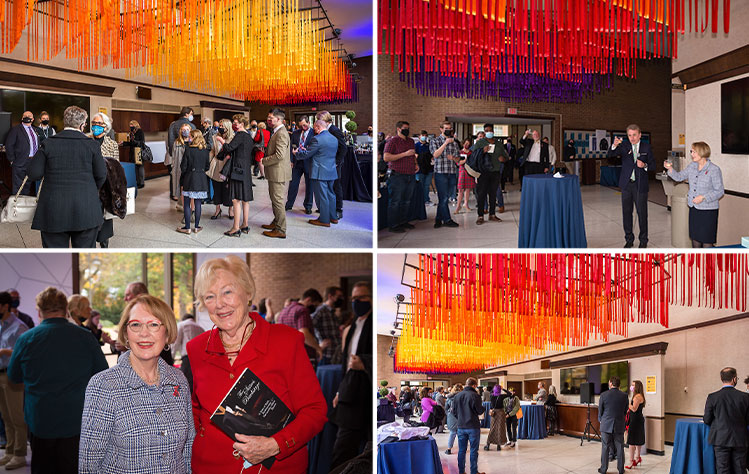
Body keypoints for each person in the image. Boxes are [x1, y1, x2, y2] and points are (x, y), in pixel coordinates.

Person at [186, 256, 327, 472]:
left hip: (276, 468)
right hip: (211, 466)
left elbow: (315, 410)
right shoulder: (196, 349)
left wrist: (276, 445)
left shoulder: (286, 341)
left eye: (227, 292)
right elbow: (196, 411)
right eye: (210, 296)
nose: (220, 304)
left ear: (248, 292)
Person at [79, 295, 193, 473]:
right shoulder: (104, 386)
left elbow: (187, 450)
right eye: (136, 325)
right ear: (125, 333)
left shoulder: (178, 381)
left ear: (167, 332)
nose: (144, 333)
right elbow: (89, 464)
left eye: (154, 324)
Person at [7, 287, 108, 474]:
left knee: (42, 468)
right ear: (66, 309)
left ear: (39, 312)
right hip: (75, 419)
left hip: (40, 419)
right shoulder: (85, 337)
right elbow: (102, 374)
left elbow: (13, 377)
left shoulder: (26, 339)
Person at [26, 106, 106, 248]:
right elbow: (101, 175)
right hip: (86, 208)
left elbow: (33, 173)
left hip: (53, 209)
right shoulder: (92, 145)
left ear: (65, 122)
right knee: (84, 258)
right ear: (82, 125)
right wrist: (90, 189)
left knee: (55, 259)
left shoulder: (48, 143)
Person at [330, 281, 373, 470]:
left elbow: (362, 359)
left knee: (369, 452)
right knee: (342, 450)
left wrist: (364, 362)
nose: (356, 302)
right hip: (350, 395)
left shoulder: (373, 323)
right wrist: (340, 391)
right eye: (353, 298)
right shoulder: (353, 326)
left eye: (361, 297)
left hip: (368, 394)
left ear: (371, 298)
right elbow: (345, 364)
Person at [664, 141, 724, 248]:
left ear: (702, 152)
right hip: (694, 208)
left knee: (706, 241)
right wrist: (670, 169)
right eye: (691, 151)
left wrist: (703, 197)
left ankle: (708, 264)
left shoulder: (714, 169)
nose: (691, 154)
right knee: (695, 239)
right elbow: (679, 177)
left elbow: (719, 191)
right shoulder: (692, 166)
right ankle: (697, 263)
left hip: (708, 211)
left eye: (694, 152)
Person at [607, 124, 655, 248]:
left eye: (634, 135)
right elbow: (610, 156)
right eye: (629, 135)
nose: (632, 138)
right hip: (626, 185)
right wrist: (614, 145)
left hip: (640, 185)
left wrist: (644, 165)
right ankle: (629, 239)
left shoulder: (646, 147)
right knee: (627, 213)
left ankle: (643, 240)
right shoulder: (624, 146)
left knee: (642, 213)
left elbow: (653, 165)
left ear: (639, 135)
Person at [0, 292, 29, 470]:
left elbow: (24, 352)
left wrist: (4, 351)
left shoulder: (19, 327)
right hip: (0, 373)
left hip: (13, 375)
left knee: (17, 416)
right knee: (5, 416)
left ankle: (20, 454)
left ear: (5, 306)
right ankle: (10, 450)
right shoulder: (1, 325)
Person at [294, 119, 339, 227]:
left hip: (319, 172)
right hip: (331, 170)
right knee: (331, 195)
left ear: (318, 127)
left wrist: (297, 153)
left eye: (314, 128)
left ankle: (324, 219)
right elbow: (322, 152)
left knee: (322, 196)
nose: (314, 130)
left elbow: (307, 154)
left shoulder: (317, 139)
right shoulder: (334, 139)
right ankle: (333, 217)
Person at [703, 367, 749, 474]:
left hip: (720, 439)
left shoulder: (712, 397)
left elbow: (707, 419)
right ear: (734, 379)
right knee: (740, 469)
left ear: (721, 378)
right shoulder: (745, 397)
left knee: (722, 469)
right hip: (740, 439)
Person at [90, 112, 122, 248]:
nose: (96, 126)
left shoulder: (112, 144)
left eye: (99, 123)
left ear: (106, 127)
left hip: (105, 186)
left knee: (105, 221)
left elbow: (116, 167)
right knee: (90, 220)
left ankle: (104, 246)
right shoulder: (85, 140)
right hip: (89, 186)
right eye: (94, 123)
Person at [259, 109, 292, 238]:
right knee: (274, 199)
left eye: (271, 118)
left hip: (278, 172)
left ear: (279, 119)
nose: (268, 120)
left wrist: (264, 160)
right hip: (275, 171)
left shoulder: (282, 133)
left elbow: (279, 155)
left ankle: (281, 229)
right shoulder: (277, 131)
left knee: (277, 200)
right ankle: (276, 222)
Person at [383, 121, 417, 233]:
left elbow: (413, 155)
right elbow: (386, 157)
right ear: (398, 129)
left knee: (406, 200)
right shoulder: (392, 141)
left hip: (410, 174)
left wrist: (416, 164)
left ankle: (403, 221)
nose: (407, 130)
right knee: (395, 201)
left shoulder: (411, 141)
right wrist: (404, 154)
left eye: (408, 128)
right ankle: (393, 225)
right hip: (397, 175)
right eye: (405, 128)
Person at [471, 124, 509, 224]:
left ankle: (492, 214)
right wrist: (482, 151)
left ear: (493, 131)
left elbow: (506, 156)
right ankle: (480, 216)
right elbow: (473, 156)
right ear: (484, 132)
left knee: (493, 194)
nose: (489, 132)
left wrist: (503, 159)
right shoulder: (480, 143)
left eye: (490, 130)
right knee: (481, 194)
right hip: (483, 172)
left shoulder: (499, 144)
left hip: (495, 172)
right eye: (486, 131)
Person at [275, 289, 324, 363]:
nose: (315, 308)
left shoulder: (283, 311)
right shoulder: (302, 310)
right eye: (315, 305)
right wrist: (318, 348)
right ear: (308, 300)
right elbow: (304, 334)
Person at [177, 129, 210, 234]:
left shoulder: (188, 149)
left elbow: (183, 167)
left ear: (194, 138)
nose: (189, 138)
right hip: (201, 179)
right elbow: (207, 167)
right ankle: (196, 227)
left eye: (190, 136)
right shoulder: (205, 151)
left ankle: (187, 227)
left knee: (187, 203)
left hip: (189, 178)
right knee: (198, 203)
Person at [316, 111, 347, 220]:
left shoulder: (334, 130)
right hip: (327, 162)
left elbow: (343, 148)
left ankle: (338, 210)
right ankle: (328, 208)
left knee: (336, 186)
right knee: (329, 186)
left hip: (334, 163)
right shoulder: (326, 130)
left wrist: (337, 162)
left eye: (319, 120)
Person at [429, 121, 460, 229]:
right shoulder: (435, 141)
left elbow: (458, 159)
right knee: (444, 197)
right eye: (446, 128)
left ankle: (438, 219)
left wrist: (454, 158)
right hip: (440, 173)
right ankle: (447, 219)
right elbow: (435, 154)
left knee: (445, 198)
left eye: (450, 128)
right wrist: (445, 143)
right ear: (441, 129)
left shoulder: (455, 143)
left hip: (451, 172)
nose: (448, 130)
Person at [453, 377, 486, 474]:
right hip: (473, 426)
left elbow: (454, 412)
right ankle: (474, 471)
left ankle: (461, 471)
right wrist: (483, 407)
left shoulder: (457, 396)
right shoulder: (475, 396)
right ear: (474, 385)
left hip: (461, 426)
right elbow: (479, 411)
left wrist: (460, 419)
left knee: (461, 450)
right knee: (473, 451)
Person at [598, 376, 628, 474]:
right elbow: (625, 411)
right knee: (620, 447)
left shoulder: (603, 395)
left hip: (606, 425)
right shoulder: (624, 395)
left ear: (611, 383)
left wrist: (600, 420)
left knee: (605, 447)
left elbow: (600, 411)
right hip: (619, 425)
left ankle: (603, 469)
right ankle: (620, 469)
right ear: (619, 384)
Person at [4, 111, 38, 195]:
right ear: (22, 118)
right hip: (20, 162)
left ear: (32, 119)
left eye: (29, 116)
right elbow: (9, 145)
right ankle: (17, 206)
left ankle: (24, 206)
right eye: (25, 116)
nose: (27, 117)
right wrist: (12, 160)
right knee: (18, 187)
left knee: (27, 186)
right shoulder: (15, 129)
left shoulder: (35, 130)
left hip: (32, 162)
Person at [286, 117, 314, 214]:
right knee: (293, 183)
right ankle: (289, 204)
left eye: (305, 125)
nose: (303, 127)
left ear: (309, 123)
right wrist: (291, 160)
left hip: (309, 162)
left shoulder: (314, 133)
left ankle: (308, 206)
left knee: (309, 185)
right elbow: (291, 147)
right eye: (301, 125)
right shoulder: (296, 133)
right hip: (297, 162)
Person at [208, 118, 235, 220]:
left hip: (227, 165)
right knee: (217, 188)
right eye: (220, 126)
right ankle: (217, 209)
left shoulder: (232, 138)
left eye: (222, 126)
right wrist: (209, 161)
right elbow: (212, 151)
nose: (220, 128)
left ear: (228, 127)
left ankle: (230, 209)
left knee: (228, 188)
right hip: (216, 164)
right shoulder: (215, 137)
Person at [311, 286, 343, 366]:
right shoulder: (321, 311)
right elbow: (307, 328)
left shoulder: (333, 312)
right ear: (330, 296)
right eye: (338, 296)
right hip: (326, 355)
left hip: (335, 354)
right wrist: (318, 346)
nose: (341, 299)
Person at [625, 380, 646, 469]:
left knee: (632, 442)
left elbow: (634, 409)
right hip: (638, 420)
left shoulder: (637, 397)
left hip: (635, 421)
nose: (631, 386)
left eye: (633, 385)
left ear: (637, 387)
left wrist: (627, 403)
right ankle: (637, 458)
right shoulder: (640, 396)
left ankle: (631, 461)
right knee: (638, 439)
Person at [120, 120, 146, 188]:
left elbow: (142, 142)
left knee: (140, 167)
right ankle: (137, 181)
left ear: (135, 125)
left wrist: (134, 141)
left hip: (138, 151)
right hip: (132, 151)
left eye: (132, 125)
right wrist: (123, 143)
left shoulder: (140, 131)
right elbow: (130, 142)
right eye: (130, 125)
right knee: (135, 167)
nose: (130, 126)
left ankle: (141, 182)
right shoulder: (131, 132)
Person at [485, 384, 510, 451]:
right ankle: (498, 445)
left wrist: (494, 388)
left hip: (494, 413)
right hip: (501, 414)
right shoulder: (502, 396)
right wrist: (503, 388)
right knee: (500, 429)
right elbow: (510, 394)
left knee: (492, 428)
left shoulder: (491, 396)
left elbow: (490, 392)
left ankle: (488, 444)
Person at [455, 139, 475, 214]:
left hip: (469, 171)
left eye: (468, 144)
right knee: (460, 189)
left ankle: (466, 204)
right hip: (462, 171)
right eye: (465, 143)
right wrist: (463, 161)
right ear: (463, 144)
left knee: (468, 189)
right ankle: (458, 206)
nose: (467, 145)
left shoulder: (471, 152)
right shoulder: (459, 152)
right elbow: (458, 162)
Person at [415, 130, 434, 207]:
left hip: (429, 168)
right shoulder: (416, 146)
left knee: (427, 185)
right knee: (420, 185)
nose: (424, 137)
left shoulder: (429, 145)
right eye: (422, 135)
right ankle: (419, 200)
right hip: (419, 169)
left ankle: (426, 199)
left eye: (425, 135)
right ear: (419, 136)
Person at [444, 383, 462, 455]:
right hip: (461, 416)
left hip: (451, 417)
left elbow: (446, 408)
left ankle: (449, 449)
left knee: (452, 433)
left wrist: (448, 414)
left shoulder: (449, 397)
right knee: (461, 434)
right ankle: (462, 448)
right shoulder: (463, 397)